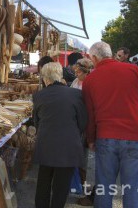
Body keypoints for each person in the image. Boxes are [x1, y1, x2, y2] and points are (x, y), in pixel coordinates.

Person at [82, 41, 138, 207]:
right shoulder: (134, 70)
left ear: (94, 58)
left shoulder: (90, 80)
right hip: (136, 136)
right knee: (134, 191)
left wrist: (91, 139)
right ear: (111, 53)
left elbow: (90, 115)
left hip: (106, 137)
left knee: (104, 189)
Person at [33, 62, 87, 208]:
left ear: (45, 78)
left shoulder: (39, 95)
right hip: (69, 145)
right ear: (60, 76)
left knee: (43, 182)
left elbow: (36, 122)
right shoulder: (76, 94)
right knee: (61, 186)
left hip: (46, 144)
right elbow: (82, 122)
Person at [70, 58, 94, 206]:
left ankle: (81, 184)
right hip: (73, 122)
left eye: (79, 71)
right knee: (74, 153)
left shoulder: (90, 84)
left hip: (84, 124)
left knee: (82, 156)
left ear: (86, 72)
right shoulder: (75, 82)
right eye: (76, 70)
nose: (76, 73)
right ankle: (75, 184)